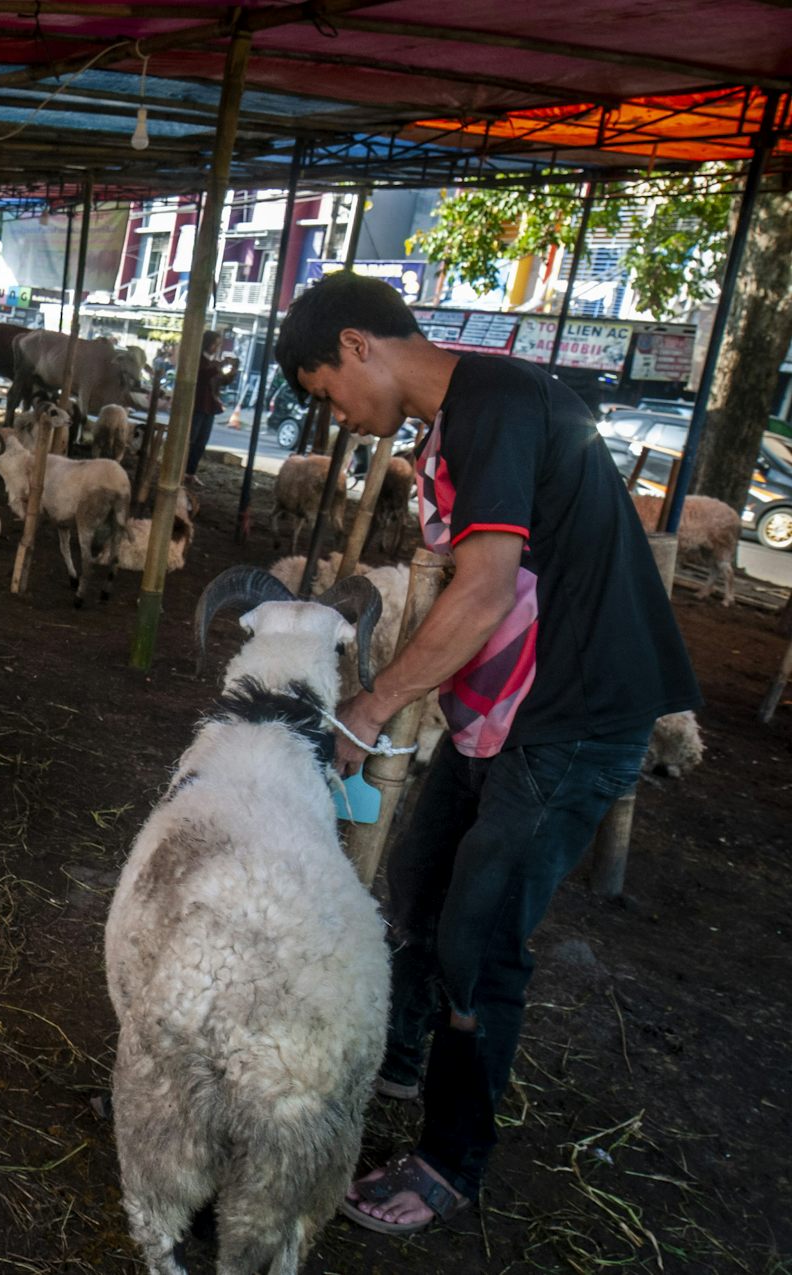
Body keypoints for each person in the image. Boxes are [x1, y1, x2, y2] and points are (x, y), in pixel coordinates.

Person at [274, 271, 700, 1238]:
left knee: (479, 934)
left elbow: (488, 589)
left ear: (354, 347)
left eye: (325, 393)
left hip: (576, 716)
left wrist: (372, 705)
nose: (337, 416)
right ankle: (394, 1059)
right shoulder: (469, 413)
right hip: (508, 711)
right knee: (419, 889)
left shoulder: (494, 404)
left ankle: (450, 1158)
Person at [183, 329, 237, 481]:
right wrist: (219, 367)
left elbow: (220, 381)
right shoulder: (198, 360)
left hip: (210, 406)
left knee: (201, 442)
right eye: (215, 344)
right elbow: (203, 375)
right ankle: (183, 469)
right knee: (191, 439)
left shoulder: (213, 363)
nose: (217, 347)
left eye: (218, 344)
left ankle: (191, 472)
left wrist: (231, 372)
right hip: (198, 404)